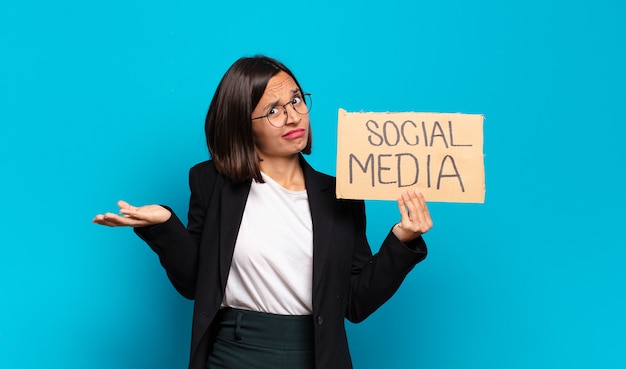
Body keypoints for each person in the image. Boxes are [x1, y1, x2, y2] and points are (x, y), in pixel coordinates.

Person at [93, 55, 433, 369]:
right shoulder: (211, 182)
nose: (292, 116)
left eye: (296, 100)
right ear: (243, 124)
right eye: (272, 110)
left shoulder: (342, 195)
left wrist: (402, 240)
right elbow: (197, 283)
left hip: (314, 355)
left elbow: (355, 304)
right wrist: (165, 225)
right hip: (233, 352)